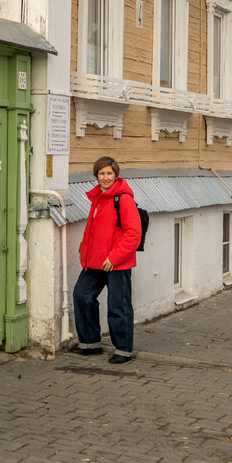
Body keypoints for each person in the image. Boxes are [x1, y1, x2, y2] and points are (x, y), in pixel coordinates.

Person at [71, 156, 142, 364]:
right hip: (95, 261)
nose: (105, 177)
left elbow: (133, 233)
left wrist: (114, 256)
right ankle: (90, 344)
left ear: (116, 175)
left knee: (117, 305)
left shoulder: (123, 198)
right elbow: (94, 229)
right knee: (82, 295)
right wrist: (84, 249)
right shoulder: (98, 198)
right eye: (101, 173)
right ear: (96, 176)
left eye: (109, 173)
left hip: (116, 262)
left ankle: (123, 349)